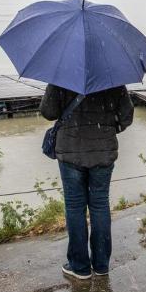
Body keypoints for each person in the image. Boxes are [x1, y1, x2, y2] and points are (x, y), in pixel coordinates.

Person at [40, 83, 134, 280]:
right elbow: (126, 117)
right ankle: (101, 265)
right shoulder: (112, 78)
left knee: (75, 207)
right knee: (100, 205)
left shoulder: (61, 77)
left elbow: (48, 112)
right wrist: (106, 129)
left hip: (70, 152)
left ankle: (80, 267)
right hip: (103, 153)